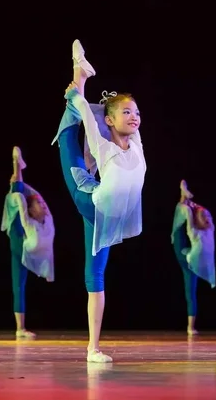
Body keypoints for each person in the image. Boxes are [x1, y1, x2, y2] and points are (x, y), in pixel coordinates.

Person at [51, 39, 146, 363]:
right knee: (68, 141)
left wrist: (100, 102)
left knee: (96, 275)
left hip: (107, 216)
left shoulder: (136, 146)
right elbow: (89, 118)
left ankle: (93, 347)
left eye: (136, 111)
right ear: (109, 120)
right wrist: (77, 92)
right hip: (88, 198)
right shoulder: (103, 145)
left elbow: (121, 121)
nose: (134, 117)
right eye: (126, 112)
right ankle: (80, 74)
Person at [0, 146, 55, 339]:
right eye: (37, 204)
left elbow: (34, 197)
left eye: (40, 203)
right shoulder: (27, 218)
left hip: (35, 250)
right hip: (20, 245)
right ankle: (20, 328)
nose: (41, 204)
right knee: (18, 286)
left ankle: (18, 166)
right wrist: (17, 176)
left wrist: (20, 182)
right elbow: (21, 201)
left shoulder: (47, 219)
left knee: (19, 190)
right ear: (31, 211)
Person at [171, 180, 216, 336]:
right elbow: (191, 214)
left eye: (208, 215)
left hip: (194, 263)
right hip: (187, 258)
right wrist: (188, 202)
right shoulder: (194, 230)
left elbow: (201, 213)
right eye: (204, 216)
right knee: (179, 226)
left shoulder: (210, 229)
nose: (207, 218)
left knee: (191, 292)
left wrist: (194, 206)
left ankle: (191, 326)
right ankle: (191, 327)